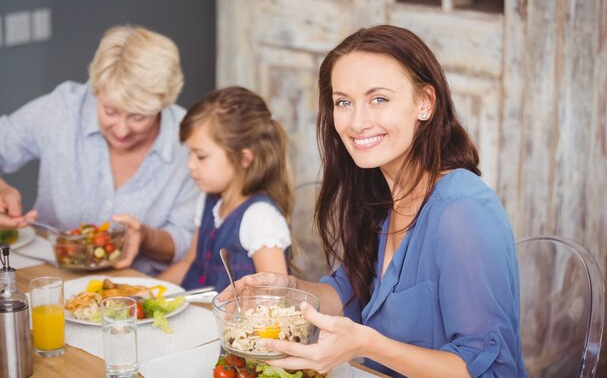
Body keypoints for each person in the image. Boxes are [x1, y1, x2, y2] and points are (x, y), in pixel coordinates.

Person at [223, 25, 527, 378]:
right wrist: (289, 289)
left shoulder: (463, 214)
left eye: (379, 99)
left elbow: (489, 371)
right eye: (344, 102)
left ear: (425, 103)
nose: (357, 122)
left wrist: (367, 344)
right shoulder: (381, 193)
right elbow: (347, 292)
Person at [0, 25, 199, 275]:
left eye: (138, 117)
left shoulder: (188, 142)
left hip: (134, 293)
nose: (122, 130)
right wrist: (2, 189)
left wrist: (146, 237)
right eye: (110, 111)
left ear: (163, 102)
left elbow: (186, 241)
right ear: (96, 91)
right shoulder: (63, 109)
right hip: (46, 277)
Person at [158, 86, 294, 292]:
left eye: (201, 156)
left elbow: (275, 297)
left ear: (244, 158)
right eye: (189, 154)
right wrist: (145, 293)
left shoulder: (260, 217)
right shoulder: (208, 201)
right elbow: (188, 264)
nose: (190, 165)